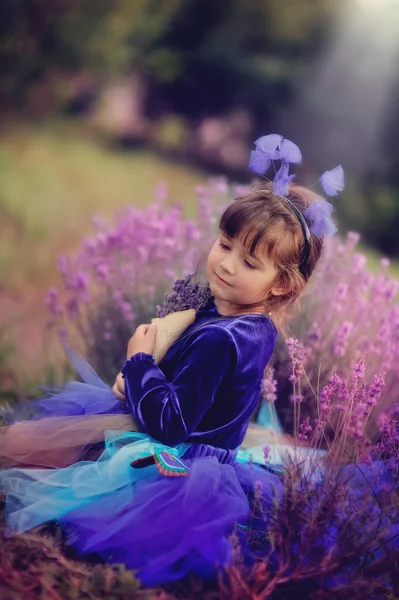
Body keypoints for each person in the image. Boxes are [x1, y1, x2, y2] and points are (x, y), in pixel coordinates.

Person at [0, 135, 345, 587]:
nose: (226, 265)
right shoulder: (243, 319)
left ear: (281, 285)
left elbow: (170, 425)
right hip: (205, 441)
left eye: (249, 262)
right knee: (37, 445)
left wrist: (141, 360)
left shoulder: (224, 340)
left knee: (32, 456)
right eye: (225, 245)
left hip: (175, 458)